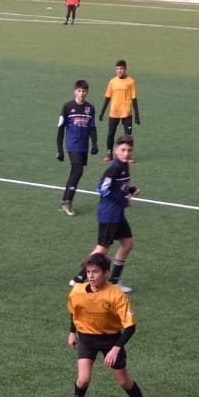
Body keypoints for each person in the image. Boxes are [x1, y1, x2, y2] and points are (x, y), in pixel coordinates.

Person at [66, 252, 155, 397]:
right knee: (83, 379)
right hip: (87, 339)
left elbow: (130, 326)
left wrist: (116, 348)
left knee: (123, 381)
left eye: (96, 271)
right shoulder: (77, 291)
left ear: (106, 273)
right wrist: (71, 332)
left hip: (111, 340)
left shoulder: (116, 295)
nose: (91, 276)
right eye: (88, 271)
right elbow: (74, 312)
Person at [70, 136, 138, 293]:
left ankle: (114, 281)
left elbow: (118, 187)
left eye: (129, 150)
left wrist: (131, 189)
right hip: (109, 215)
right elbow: (102, 188)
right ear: (116, 150)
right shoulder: (114, 167)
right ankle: (79, 278)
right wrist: (123, 201)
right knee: (102, 248)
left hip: (117, 215)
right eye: (123, 150)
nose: (126, 153)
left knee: (127, 244)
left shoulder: (124, 165)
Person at [56, 79, 98, 215]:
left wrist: (95, 144)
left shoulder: (90, 108)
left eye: (84, 91)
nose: (81, 93)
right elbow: (60, 129)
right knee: (78, 170)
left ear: (87, 92)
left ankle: (63, 201)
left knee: (75, 172)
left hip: (83, 146)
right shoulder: (67, 107)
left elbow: (93, 128)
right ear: (75, 91)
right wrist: (60, 149)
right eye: (79, 91)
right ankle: (68, 202)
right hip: (72, 144)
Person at [98, 59, 140, 160]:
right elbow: (107, 97)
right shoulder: (112, 81)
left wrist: (137, 115)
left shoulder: (131, 81)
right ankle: (109, 154)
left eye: (121, 68)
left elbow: (134, 98)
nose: (119, 71)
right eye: (117, 69)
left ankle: (128, 156)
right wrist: (102, 112)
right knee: (110, 134)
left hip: (126, 112)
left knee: (128, 136)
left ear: (125, 69)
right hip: (114, 112)